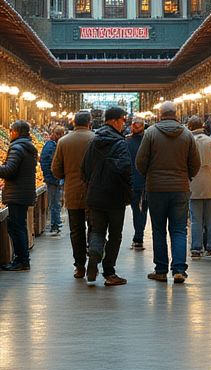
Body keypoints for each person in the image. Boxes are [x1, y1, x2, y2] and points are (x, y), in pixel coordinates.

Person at [135, 100, 199, 285]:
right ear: (176, 114)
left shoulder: (151, 133)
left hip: (156, 189)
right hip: (180, 188)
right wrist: (185, 176)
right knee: (179, 229)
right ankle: (179, 270)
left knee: (158, 230)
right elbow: (195, 163)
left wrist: (149, 175)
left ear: (160, 115)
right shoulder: (187, 134)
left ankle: (161, 270)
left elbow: (140, 161)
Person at [80, 105, 132, 285]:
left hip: (95, 195)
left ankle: (94, 253)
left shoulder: (94, 141)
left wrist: (93, 183)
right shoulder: (120, 143)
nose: (124, 124)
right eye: (123, 120)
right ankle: (109, 273)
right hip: (115, 197)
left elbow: (84, 168)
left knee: (97, 230)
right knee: (115, 235)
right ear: (115, 120)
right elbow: (125, 169)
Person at [0, 120, 38, 272]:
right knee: (19, 226)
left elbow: (10, 170)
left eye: (11, 131)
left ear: (16, 132)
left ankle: (21, 261)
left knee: (16, 227)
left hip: (17, 194)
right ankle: (22, 259)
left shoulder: (16, 148)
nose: (10, 134)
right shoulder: (28, 147)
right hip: (24, 192)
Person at [51, 110, 95, 279]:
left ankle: (79, 266)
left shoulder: (63, 141)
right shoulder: (95, 139)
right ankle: (94, 260)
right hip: (94, 192)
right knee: (94, 228)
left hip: (73, 192)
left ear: (73, 123)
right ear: (90, 122)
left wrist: (68, 176)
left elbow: (56, 169)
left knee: (76, 231)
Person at [186, 115, 211, 258]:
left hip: (193, 184)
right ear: (202, 126)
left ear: (189, 127)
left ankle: (196, 248)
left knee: (196, 219)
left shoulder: (188, 141)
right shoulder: (209, 140)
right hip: (210, 184)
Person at [124, 114, 148, 250]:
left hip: (132, 181)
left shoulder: (127, 142)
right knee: (144, 209)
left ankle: (138, 236)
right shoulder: (148, 142)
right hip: (146, 181)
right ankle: (139, 236)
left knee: (135, 209)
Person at [40, 124, 65, 235]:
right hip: (53, 179)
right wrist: (55, 175)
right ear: (55, 134)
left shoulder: (52, 145)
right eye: (59, 134)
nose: (61, 136)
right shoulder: (51, 146)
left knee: (56, 202)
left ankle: (56, 222)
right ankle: (55, 224)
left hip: (53, 178)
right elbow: (48, 163)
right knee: (55, 202)